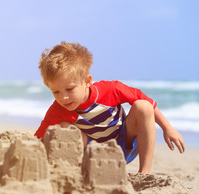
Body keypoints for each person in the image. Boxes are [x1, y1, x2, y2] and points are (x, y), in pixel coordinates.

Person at [34, 41, 185, 173]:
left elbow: (148, 104)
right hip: (93, 157)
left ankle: (145, 172)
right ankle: (76, 169)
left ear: (87, 81)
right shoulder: (58, 110)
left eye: (69, 89)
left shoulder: (111, 89)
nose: (63, 97)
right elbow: (39, 138)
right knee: (64, 127)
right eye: (56, 92)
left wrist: (167, 128)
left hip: (125, 147)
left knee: (143, 106)